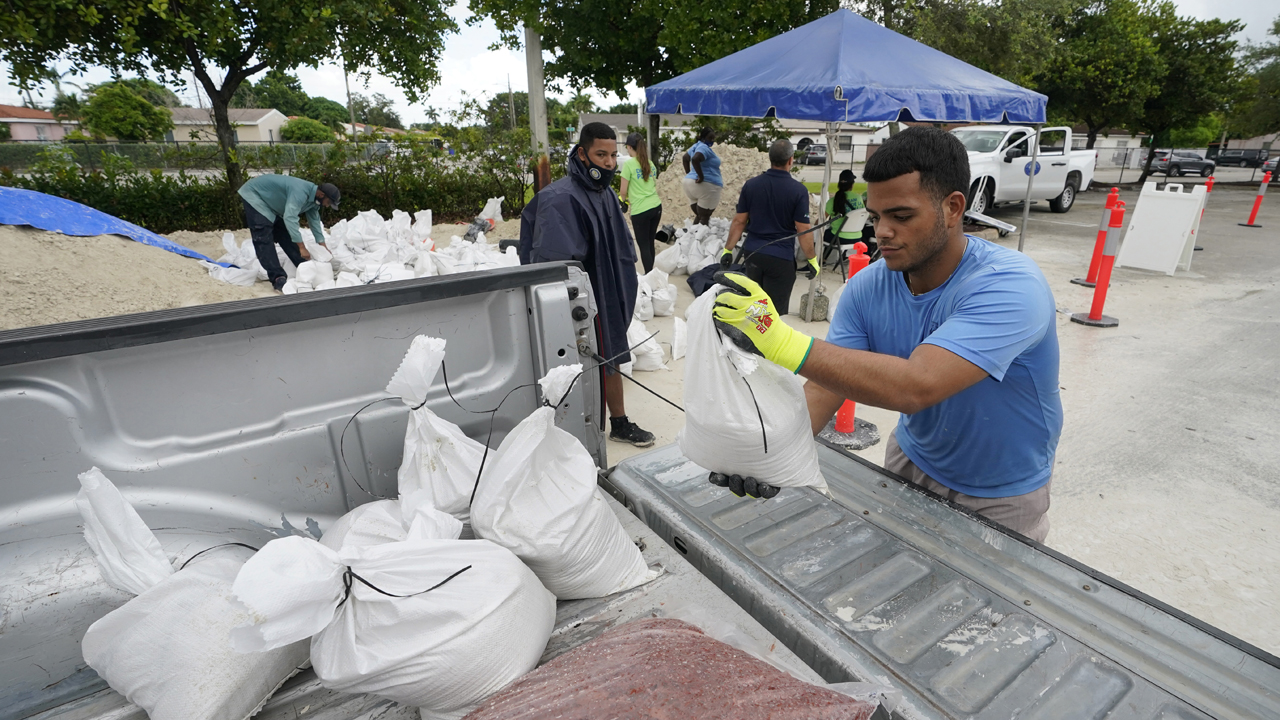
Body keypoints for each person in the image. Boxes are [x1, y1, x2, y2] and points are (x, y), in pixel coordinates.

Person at [710, 127, 1061, 543]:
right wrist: (770, 456)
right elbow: (826, 385)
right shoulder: (870, 286)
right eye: (876, 217)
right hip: (911, 457)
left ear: (952, 208)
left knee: (987, 605)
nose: (882, 232)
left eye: (901, 216)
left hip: (1003, 490)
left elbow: (918, 385)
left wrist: (781, 340)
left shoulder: (1010, 285)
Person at [519, 122, 656, 448]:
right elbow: (553, 263)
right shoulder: (560, 198)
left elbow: (621, 246)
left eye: (613, 155)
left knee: (611, 354)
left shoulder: (605, 193)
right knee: (573, 366)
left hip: (607, 292)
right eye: (600, 154)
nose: (609, 163)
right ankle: (570, 432)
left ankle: (619, 423)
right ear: (582, 153)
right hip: (579, 301)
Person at [717, 139, 819, 316]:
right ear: (790, 160)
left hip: (754, 255)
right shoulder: (798, 190)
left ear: (770, 158)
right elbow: (803, 229)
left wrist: (728, 250)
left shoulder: (752, 185)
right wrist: (811, 259)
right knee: (774, 314)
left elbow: (739, 221)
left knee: (754, 306)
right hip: (780, 259)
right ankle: (770, 343)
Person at [238, 174, 341, 291]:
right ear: (321, 195)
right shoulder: (300, 192)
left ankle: (302, 264)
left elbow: (315, 222)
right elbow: (290, 218)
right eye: (328, 202)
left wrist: (323, 246)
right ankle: (277, 277)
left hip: (272, 204)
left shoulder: (314, 201)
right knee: (263, 237)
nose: (327, 206)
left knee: (284, 233)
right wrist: (302, 247)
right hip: (255, 195)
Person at [619, 133, 662, 273]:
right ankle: (651, 273)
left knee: (643, 245)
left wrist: (622, 202)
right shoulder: (650, 164)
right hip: (656, 207)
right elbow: (652, 183)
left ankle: (649, 275)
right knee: (650, 243)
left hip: (640, 211)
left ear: (630, 147)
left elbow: (623, 191)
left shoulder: (629, 164)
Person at [681, 128, 723, 225]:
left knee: (700, 216)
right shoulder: (704, 147)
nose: (712, 140)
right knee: (704, 218)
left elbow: (685, 158)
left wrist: (689, 174)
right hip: (706, 186)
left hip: (689, 185)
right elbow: (696, 159)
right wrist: (701, 177)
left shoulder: (695, 146)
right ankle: (699, 239)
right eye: (710, 138)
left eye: (713, 138)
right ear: (703, 137)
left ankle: (690, 238)